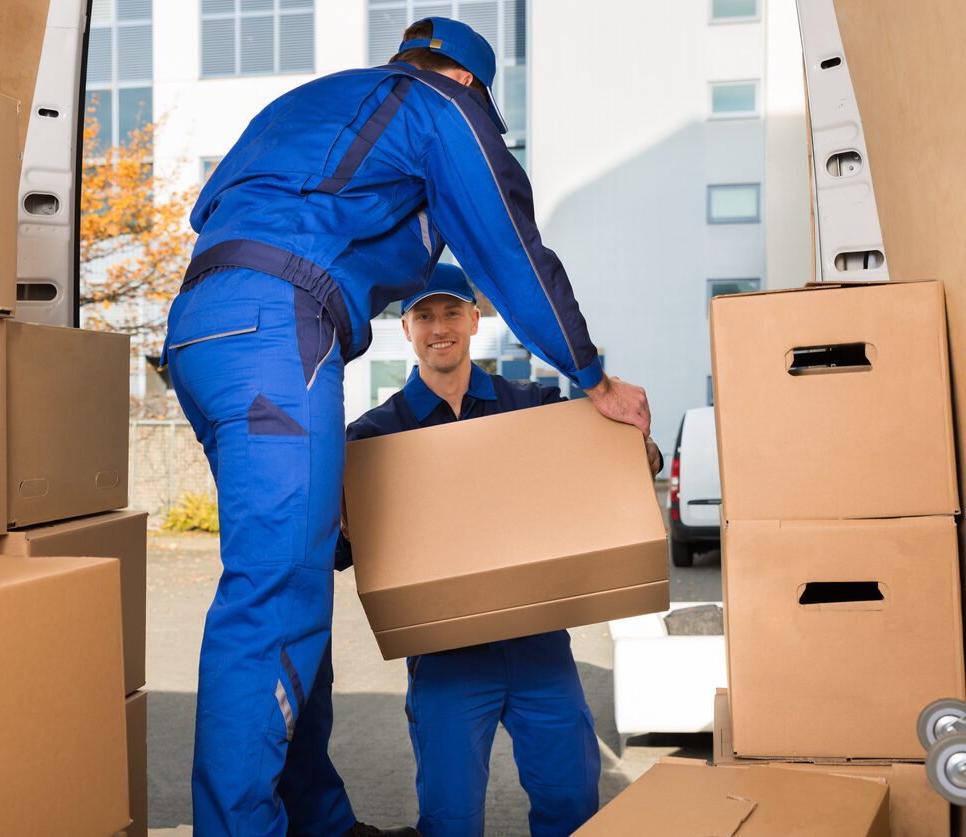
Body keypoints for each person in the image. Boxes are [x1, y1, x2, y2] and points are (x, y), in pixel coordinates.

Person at [161, 16, 652, 837]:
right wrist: (591, 372)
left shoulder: (316, 104)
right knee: (274, 596)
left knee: (292, 573)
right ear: (471, 86)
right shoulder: (437, 106)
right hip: (280, 326)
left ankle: (316, 819)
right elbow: (509, 245)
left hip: (204, 333)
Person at [336, 265, 661, 836]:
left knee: (573, 806)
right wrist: (337, 515)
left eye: (452, 313)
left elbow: (604, 467)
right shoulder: (373, 439)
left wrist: (642, 452)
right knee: (450, 821)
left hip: (540, 647)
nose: (441, 328)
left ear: (474, 320)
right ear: (406, 328)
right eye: (426, 316)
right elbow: (342, 551)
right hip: (447, 659)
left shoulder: (532, 405)